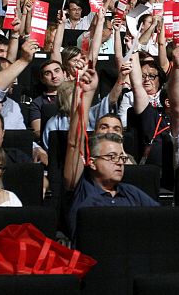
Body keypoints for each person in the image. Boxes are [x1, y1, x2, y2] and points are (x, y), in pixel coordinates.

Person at [64, 67, 158, 239]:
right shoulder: (81, 185)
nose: (119, 162)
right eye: (111, 157)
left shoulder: (131, 192)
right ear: (92, 162)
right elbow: (74, 143)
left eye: (120, 157)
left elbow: (164, 219)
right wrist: (87, 94)